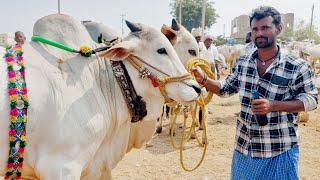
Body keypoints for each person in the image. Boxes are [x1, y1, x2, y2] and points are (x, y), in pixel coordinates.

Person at [192, 6, 318, 180]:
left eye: (265, 28)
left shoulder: (297, 66)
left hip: (279, 150)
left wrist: (274, 106)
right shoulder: (243, 62)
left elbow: (311, 100)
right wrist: (204, 80)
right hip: (245, 148)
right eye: (255, 29)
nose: (259, 33)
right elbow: (225, 88)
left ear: (279, 29)